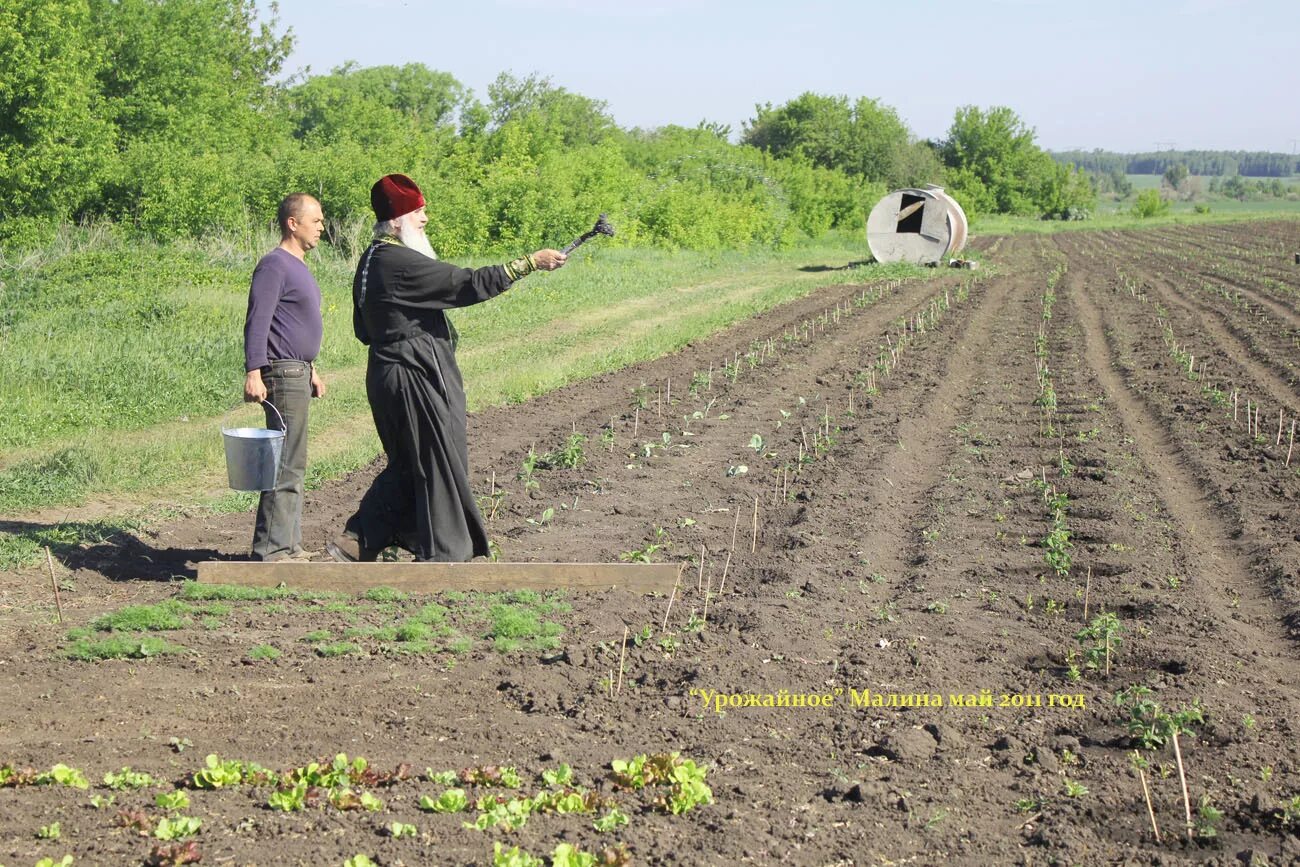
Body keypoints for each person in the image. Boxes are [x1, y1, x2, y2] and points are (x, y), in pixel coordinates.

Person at [327, 174, 566, 563]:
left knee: (412, 462)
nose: (425, 218)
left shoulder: (372, 259)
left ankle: (359, 540)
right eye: (418, 211)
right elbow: (462, 284)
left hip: (389, 372)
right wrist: (528, 264)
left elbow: (362, 329)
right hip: (411, 374)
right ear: (398, 218)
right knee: (434, 459)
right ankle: (444, 553)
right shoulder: (398, 262)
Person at [243, 193, 327, 561]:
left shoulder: (299, 266)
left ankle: (289, 545)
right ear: (293, 223)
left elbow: (292, 324)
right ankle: (272, 550)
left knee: (294, 462)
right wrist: (253, 371)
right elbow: (258, 320)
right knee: (284, 464)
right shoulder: (274, 265)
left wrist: (313, 369)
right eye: (317, 221)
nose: (322, 228)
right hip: (281, 374)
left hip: (299, 372)